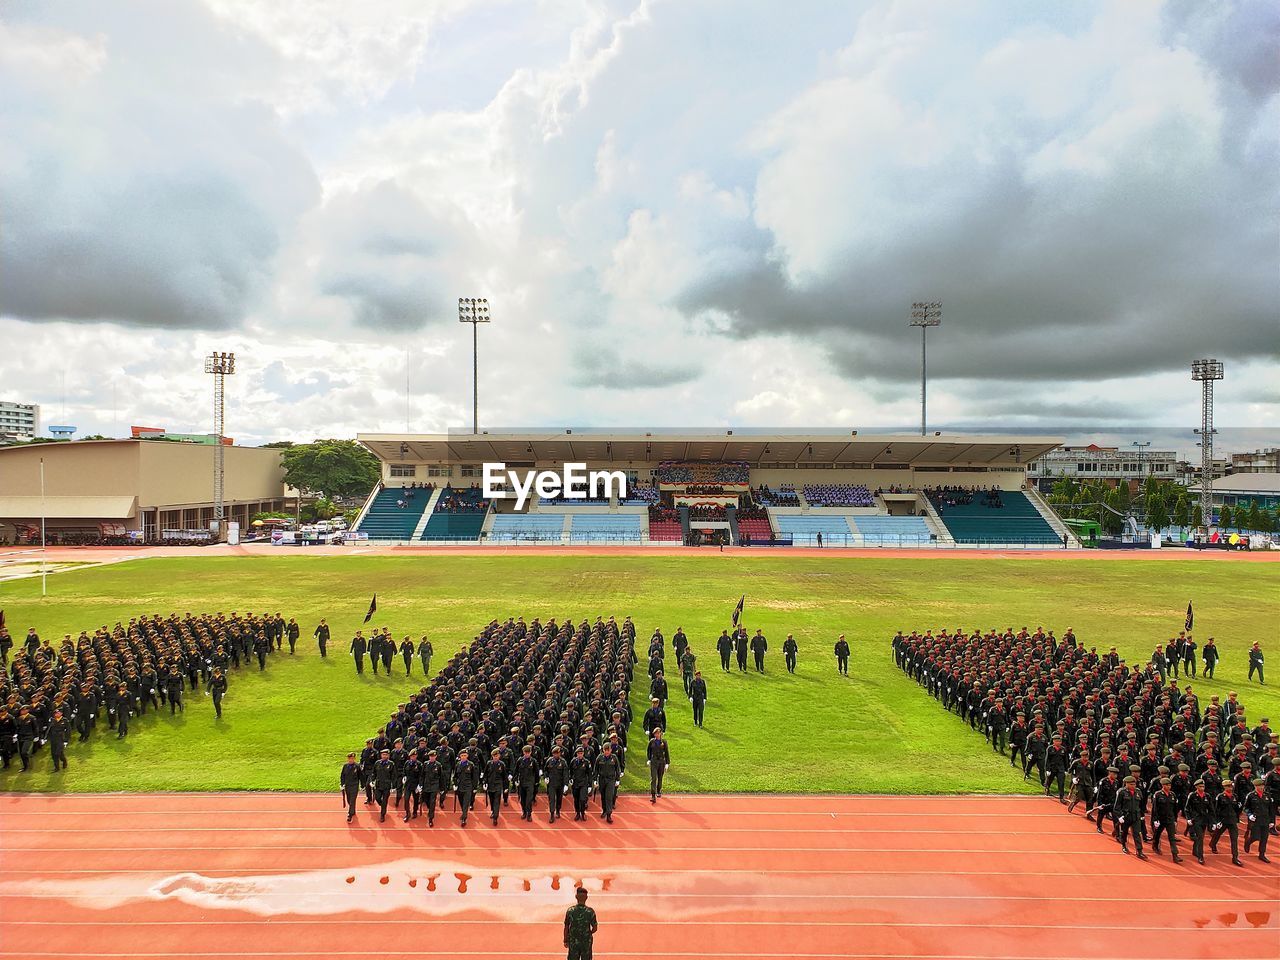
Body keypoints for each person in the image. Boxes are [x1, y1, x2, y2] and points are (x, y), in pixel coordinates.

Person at [1150, 777, 1183, 863]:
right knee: (1157, 834)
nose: (1169, 787)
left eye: (1170, 785)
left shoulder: (1172, 795)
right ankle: (1155, 845)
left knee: (1172, 838)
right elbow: (1155, 809)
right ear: (1163, 785)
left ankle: (1175, 855)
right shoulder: (1157, 795)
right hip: (1160, 819)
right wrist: (1155, 820)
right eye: (1167, 785)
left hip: (1170, 819)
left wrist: (1175, 819)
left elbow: (1175, 809)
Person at [1210, 781, 1243, 865]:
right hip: (1223, 820)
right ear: (1224, 787)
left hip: (1232, 820)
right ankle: (1213, 844)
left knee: (1234, 839)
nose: (1230, 788)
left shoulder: (1235, 796)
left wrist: (1237, 818)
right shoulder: (1220, 797)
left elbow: (1237, 810)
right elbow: (1216, 810)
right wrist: (1217, 821)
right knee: (1217, 834)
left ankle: (1235, 857)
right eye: (1228, 786)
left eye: (1231, 786)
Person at [1115, 776, 1147, 859]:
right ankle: (1124, 845)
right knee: (1124, 832)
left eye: (1134, 784)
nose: (1133, 786)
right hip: (1126, 816)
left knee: (1137, 833)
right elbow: (1117, 806)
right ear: (1126, 784)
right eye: (1131, 784)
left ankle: (1139, 851)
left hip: (1136, 816)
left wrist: (1142, 815)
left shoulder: (1138, 792)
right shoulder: (1121, 792)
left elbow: (1141, 805)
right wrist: (1119, 816)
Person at [1243, 778, 1274, 862]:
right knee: (1255, 836)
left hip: (1265, 819)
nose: (1261, 787)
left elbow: (1271, 809)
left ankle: (1262, 854)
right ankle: (1248, 842)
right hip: (1255, 819)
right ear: (1255, 786)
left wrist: (1272, 821)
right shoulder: (1251, 795)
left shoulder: (1267, 795)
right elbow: (1246, 808)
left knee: (1264, 838)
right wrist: (1249, 815)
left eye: (1262, 785)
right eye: (1259, 786)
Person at [563, 887, 598, 960]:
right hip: (586, 942)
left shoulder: (570, 911)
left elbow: (566, 926)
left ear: (576, 897)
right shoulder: (590, 911)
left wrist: (566, 939)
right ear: (586, 898)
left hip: (573, 942)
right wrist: (588, 933)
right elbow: (595, 928)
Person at [595, 742, 621, 823]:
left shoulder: (614, 758)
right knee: (603, 796)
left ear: (611, 750)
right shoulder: (599, 758)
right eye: (605, 750)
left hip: (610, 779)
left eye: (608, 750)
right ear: (602, 750)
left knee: (609, 797)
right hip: (602, 779)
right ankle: (604, 810)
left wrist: (617, 780)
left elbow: (617, 769)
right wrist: (595, 780)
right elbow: (595, 770)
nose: (606, 752)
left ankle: (609, 815)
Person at [515, 744, 540, 821]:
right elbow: (516, 771)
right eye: (525, 752)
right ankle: (524, 812)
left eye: (528, 752)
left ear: (530, 752)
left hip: (530, 782)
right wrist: (515, 780)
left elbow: (536, 772)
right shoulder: (520, 760)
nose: (527, 754)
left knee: (529, 800)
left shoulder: (533, 761)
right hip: (522, 782)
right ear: (523, 752)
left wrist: (536, 782)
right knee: (522, 799)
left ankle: (529, 814)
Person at [455, 748, 478, 827]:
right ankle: (464, 813)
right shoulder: (458, 764)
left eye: (465, 755)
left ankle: (464, 818)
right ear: (460, 756)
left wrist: (474, 787)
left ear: (467, 756)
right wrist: (454, 784)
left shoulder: (471, 764)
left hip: (468, 786)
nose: (463, 757)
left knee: (466, 803)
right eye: (462, 755)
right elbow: (455, 776)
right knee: (461, 802)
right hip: (460, 786)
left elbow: (474, 777)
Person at [546, 745, 568, 823]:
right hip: (551, 783)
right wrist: (546, 777)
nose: (556, 755)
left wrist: (566, 784)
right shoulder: (549, 761)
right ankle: (552, 814)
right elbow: (546, 770)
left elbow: (565, 773)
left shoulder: (563, 762)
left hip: (560, 783)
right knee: (551, 799)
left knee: (559, 799)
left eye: (558, 753)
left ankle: (558, 810)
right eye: (555, 753)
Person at [647, 728, 670, 802]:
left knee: (660, 777)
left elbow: (666, 752)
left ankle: (658, 790)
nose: (656, 735)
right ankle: (653, 795)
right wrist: (649, 759)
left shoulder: (664, 742)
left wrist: (667, 763)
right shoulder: (652, 741)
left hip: (661, 761)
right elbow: (649, 751)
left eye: (658, 733)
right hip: (654, 761)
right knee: (653, 778)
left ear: (660, 734)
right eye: (655, 733)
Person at [484, 748, 506, 825]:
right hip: (490, 785)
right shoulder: (489, 763)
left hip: (498, 785)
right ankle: (493, 811)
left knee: (497, 801)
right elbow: (486, 774)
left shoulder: (502, 764)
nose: (495, 757)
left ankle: (495, 817)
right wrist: (484, 783)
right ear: (492, 756)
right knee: (492, 800)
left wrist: (505, 787)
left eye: (497, 756)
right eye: (494, 756)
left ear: (499, 756)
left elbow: (504, 777)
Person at [373, 748, 395, 822]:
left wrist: (393, 786)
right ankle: (382, 806)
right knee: (377, 798)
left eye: (386, 755)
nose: (384, 756)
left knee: (385, 801)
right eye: (383, 754)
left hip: (386, 785)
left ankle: (382, 815)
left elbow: (393, 775)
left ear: (388, 755)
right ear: (381, 755)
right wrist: (372, 780)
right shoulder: (377, 763)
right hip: (378, 784)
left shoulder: (391, 764)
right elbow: (374, 773)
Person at [340, 752, 361, 822]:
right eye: (349, 758)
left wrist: (363, 785)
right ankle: (353, 810)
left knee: (352, 800)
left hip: (354, 785)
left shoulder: (357, 766)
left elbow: (361, 776)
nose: (350, 760)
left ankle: (350, 814)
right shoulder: (345, 766)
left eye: (352, 758)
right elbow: (342, 775)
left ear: (354, 759)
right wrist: (342, 784)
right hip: (347, 785)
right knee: (349, 800)